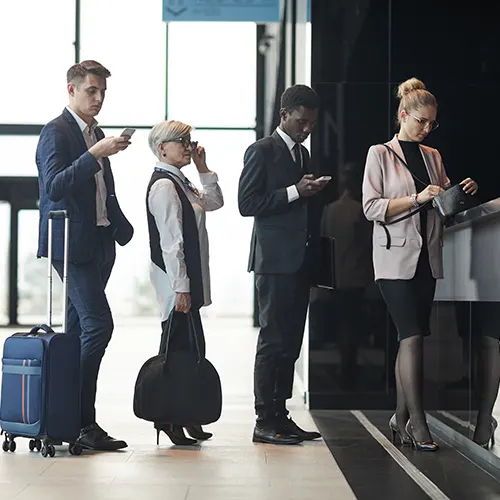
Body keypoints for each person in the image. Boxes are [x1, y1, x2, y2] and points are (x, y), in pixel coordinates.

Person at [362, 77, 478, 451]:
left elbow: (443, 209)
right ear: (402, 115)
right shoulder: (379, 153)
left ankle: (400, 418)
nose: (426, 128)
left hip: (427, 259)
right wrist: (416, 198)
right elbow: (371, 208)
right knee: (412, 336)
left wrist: (459, 194)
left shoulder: (433, 156)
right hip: (393, 259)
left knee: (410, 339)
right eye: (420, 121)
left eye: (431, 123)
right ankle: (419, 422)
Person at [36, 60, 134, 450]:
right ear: (71, 90)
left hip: (98, 242)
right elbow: (55, 186)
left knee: (78, 334)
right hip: (70, 245)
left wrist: (118, 226)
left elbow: (100, 191)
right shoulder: (55, 132)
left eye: (103, 92)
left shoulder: (97, 133)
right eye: (91, 90)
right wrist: (94, 153)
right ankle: (75, 417)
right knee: (98, 326)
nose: (98, 98)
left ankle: (74, 422)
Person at [238, 84, 328, 445]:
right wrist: (295, 192)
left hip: (299, 260)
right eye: (301, 121)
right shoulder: (261, 151)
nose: (306, 129)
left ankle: (281, 413)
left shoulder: (302, 156)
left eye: (311, 124)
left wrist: (309, 192)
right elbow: (247, 203)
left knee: (291, 342)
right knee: (273, 340)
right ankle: (264, 420)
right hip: (274, 262)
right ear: (284, 116)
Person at [146, 120, 223, 445]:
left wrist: (204, 168)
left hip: (188, 280)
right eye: (181, 141)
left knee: (191, 349)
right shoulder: (164, 185)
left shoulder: (182, 181)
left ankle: (187, 415)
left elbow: (215, 201)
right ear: (162, 147)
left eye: (190, 140)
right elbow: (171, 242)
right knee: (177, 351)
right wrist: (181, 287)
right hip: (176, 282)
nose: (189, 146)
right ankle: (169, 418)